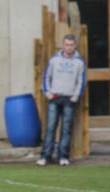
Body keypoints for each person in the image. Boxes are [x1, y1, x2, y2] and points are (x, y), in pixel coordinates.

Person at [37, 34, 86, 167]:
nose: (69, 47)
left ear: (75, 46)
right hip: (55, 97)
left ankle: (63, 156)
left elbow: (81, 81)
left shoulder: (79, 62)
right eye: (66, 45)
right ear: (63, 45)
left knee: (66, 129)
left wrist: (76, 95)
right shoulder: (54, 60)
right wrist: (47, 93)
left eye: (71, 45)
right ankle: (45, 156)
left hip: (69, 99)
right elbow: (46, 77)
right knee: (50, 128)